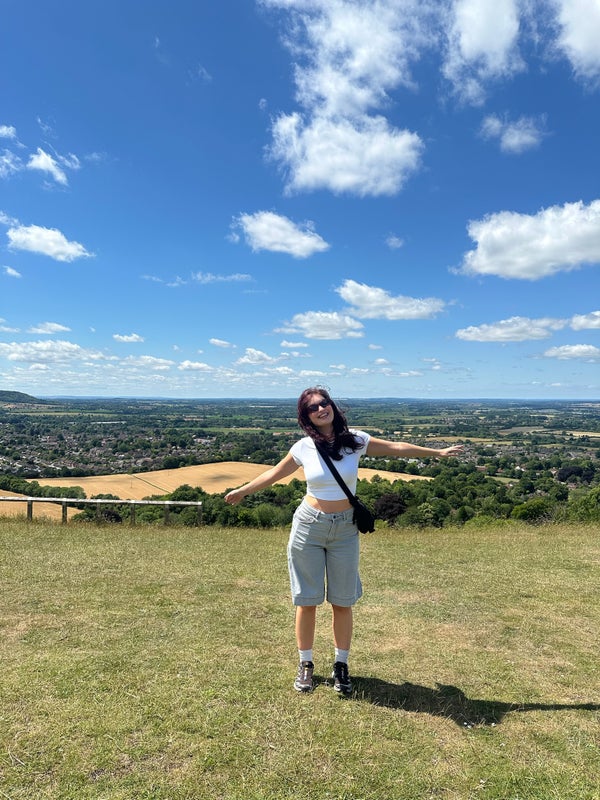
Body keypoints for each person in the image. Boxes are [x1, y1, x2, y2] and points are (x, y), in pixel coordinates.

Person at [224, 387, 464, 695]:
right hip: (309, 526)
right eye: (313, 407)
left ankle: (341, 665)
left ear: (333, 406)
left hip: (345, 529)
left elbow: (396, 448)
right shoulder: (303, 447)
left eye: (324, 403)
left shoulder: (356, 441)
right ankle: (306, 664)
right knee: (307, 600)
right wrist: (243, 490)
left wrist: (436, 452)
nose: (320, 409)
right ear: (306, 416)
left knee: (342, 601)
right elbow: (274, 474)